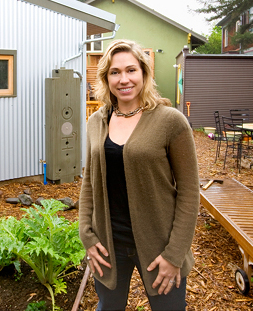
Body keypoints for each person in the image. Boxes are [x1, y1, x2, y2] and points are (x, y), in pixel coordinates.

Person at [79, 39, 199, 310]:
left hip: (160, 245)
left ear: (144, 73)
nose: (124, 79)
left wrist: (175, 254)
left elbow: (190, 192)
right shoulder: (96, 122)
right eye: (115, 72)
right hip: (109, 245)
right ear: (106, 78)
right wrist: (86, 234)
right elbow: (89, 183)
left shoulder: (170, 121)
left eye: (131, 70)